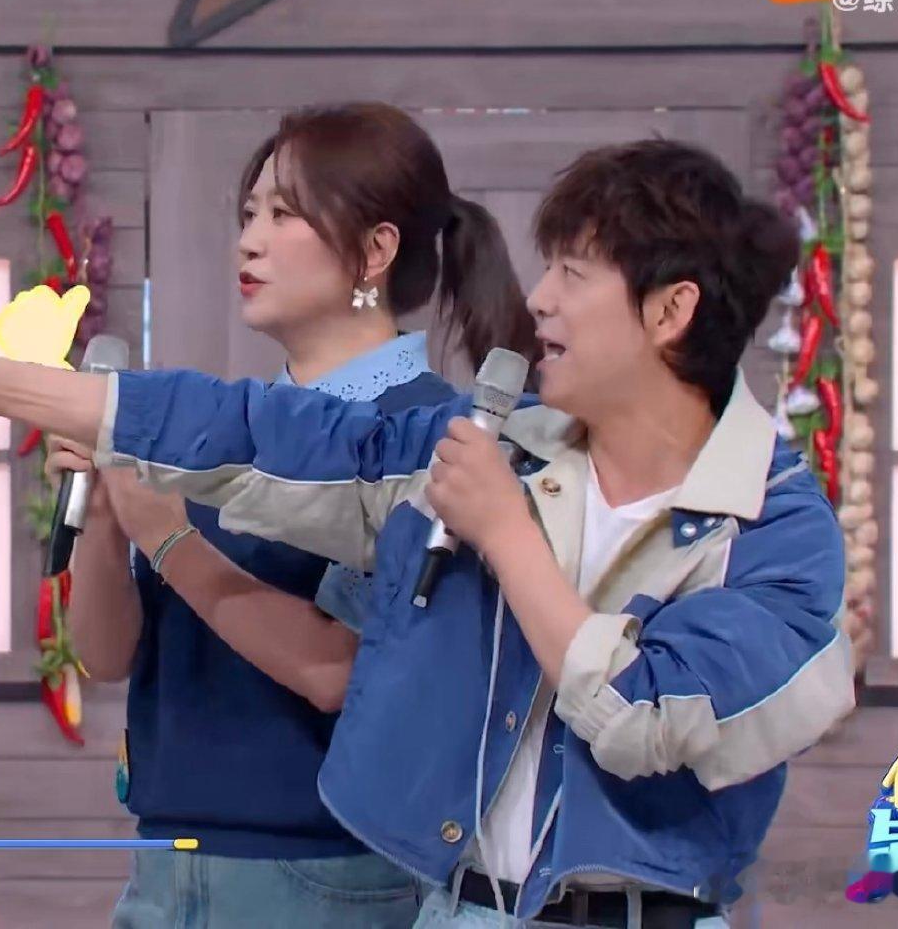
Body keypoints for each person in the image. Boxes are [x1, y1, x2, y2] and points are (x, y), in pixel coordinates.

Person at [0, 139, 854, 928]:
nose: (540, 298)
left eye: (572, 271)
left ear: (670, 311)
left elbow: (650, 717)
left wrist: (504, 534)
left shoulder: (778, 529)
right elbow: (259, 437)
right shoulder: (497, 448)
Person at [45, 104, 536, 927]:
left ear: (375, 251)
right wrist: (104, 514)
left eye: (283, 215)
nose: (249, 241)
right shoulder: (220, 432)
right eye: (247, 215)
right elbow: (104, 653)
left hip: (325, 876)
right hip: (166, 864)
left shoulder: (431, 436)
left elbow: (337, 671)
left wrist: (167, 536)